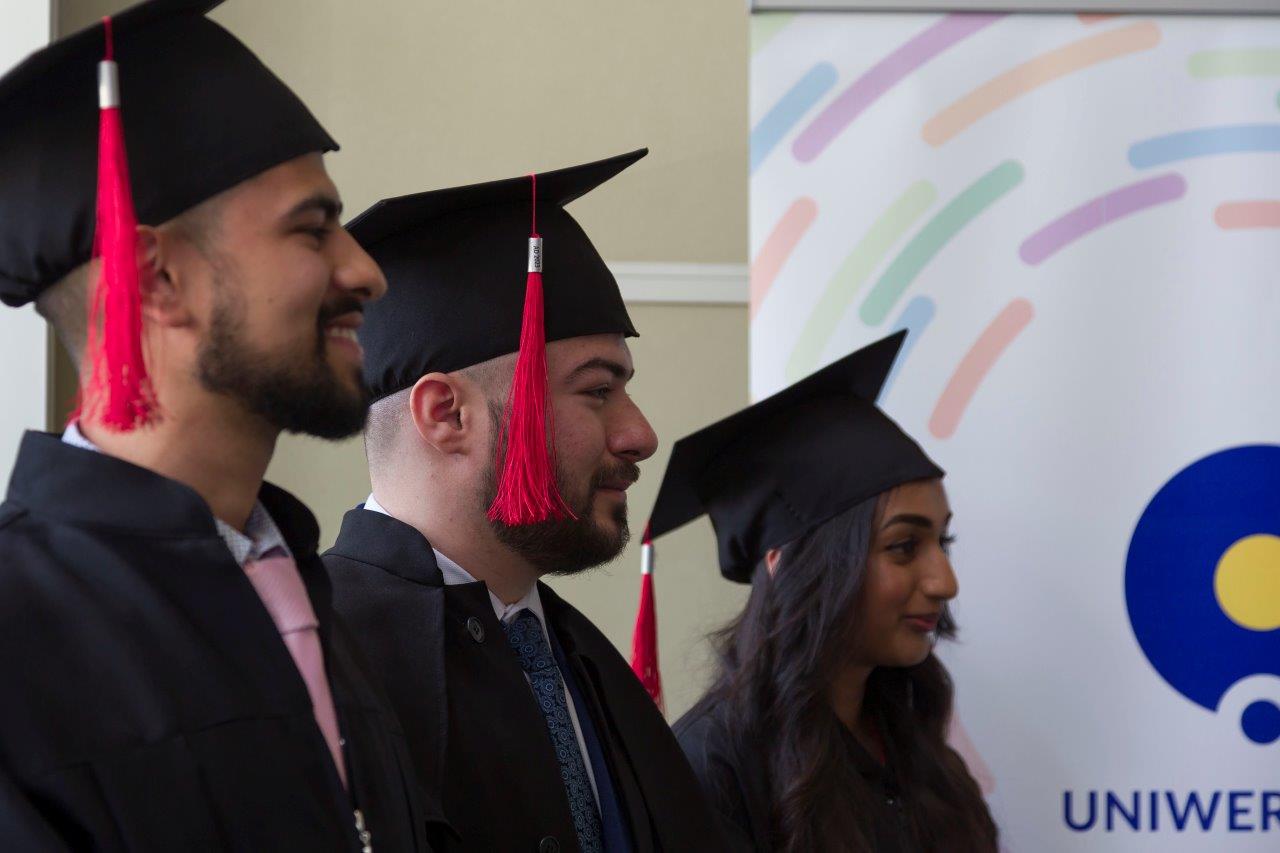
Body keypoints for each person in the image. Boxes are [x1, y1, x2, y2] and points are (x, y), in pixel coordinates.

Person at [0, 2, 427, 849]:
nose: (365, 271)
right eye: (313, 229)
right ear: (157, 280)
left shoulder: (297, 588)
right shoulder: (20, 638)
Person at [323, 150, 727, 852]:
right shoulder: (316, 656)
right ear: (447, 415)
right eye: (597, 390)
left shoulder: (583, 660)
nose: (640, 434)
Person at [648, 333, 998, 852]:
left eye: (942, 542)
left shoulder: (913, 744)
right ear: (790, 565)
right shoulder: (713, 766)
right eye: (904, 546)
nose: (945, 582)